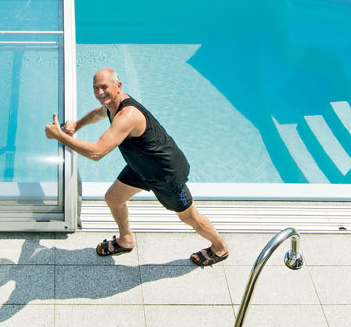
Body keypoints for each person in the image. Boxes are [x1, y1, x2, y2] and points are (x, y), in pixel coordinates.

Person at [44, 67, 229, 267]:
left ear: (118, 86)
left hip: (166, 173)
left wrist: (60, 136)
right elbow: (99, 113)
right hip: (141, 166)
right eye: (95, 88)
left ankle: (220, 247)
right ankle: (126, 239)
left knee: (189, 217)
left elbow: (97, 152)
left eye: (104, 87)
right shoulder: (111, 104)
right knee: (113, 199)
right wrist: (77, 125)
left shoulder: (127, 115)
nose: (99, 93)